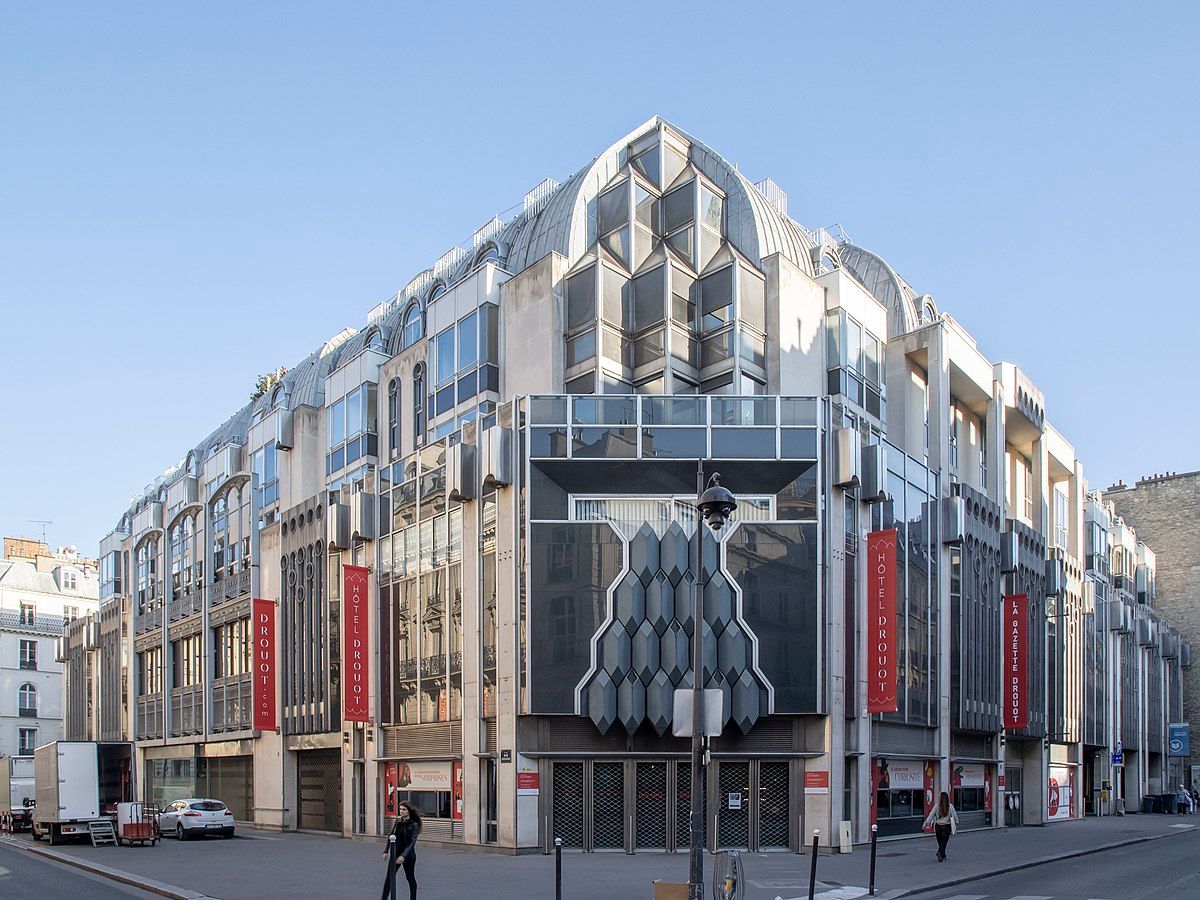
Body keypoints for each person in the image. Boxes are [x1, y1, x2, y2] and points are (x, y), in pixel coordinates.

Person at [380, 801, 422, 900]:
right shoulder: (398, 822)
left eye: (404, 809)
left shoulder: (414, 824)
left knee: (410, 877)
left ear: (409, 811)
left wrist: (403, 856)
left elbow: (412, 842)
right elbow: (391, 836)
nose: (401, 811)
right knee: (389, 879)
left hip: (408, 856)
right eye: (400, 809)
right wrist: (386, 851)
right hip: (395, 853)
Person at [923, 791, 959, 862]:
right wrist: (957, 821)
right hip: (946, 827)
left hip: (938, 827)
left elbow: (931, 815)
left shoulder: (936, 806)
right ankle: (939, 852)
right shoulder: (950, 806)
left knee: (940, 842)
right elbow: (955, 816)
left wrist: (925, 823)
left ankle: (943, 855)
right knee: (944, 842)